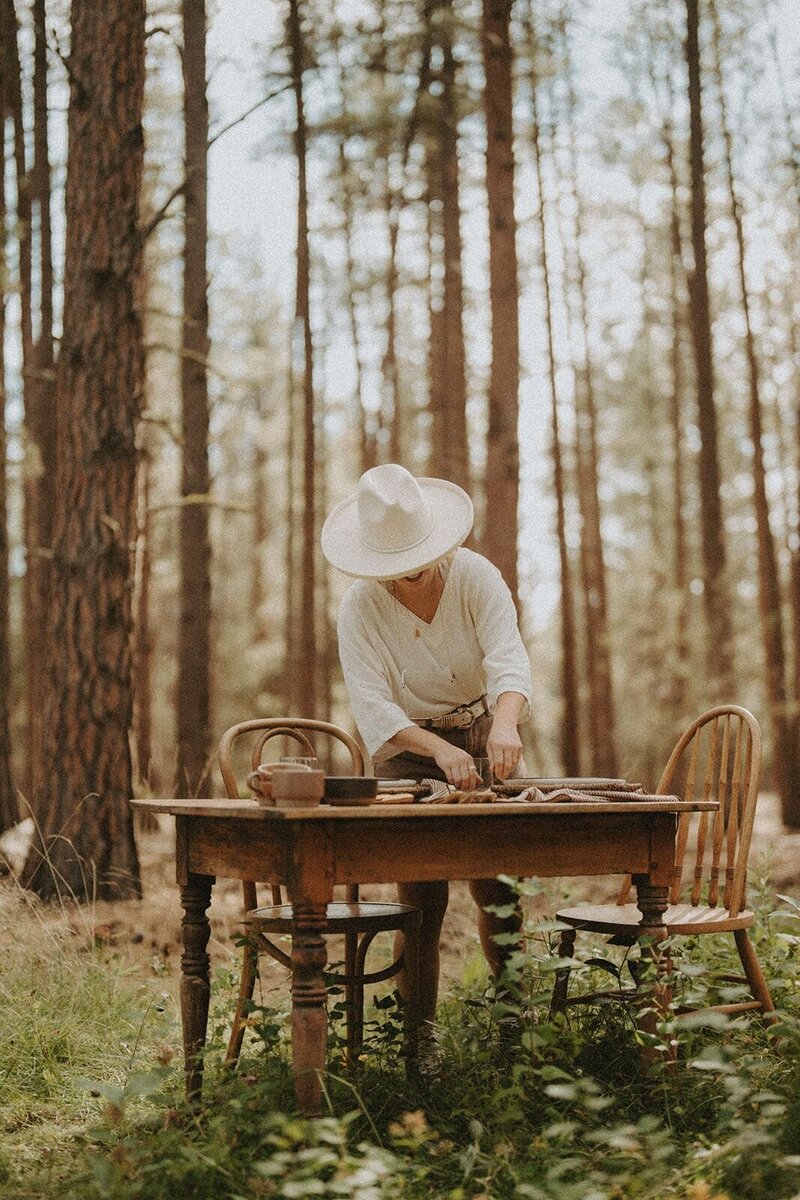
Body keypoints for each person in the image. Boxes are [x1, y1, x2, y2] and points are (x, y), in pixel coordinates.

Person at [321, 463, 532, 1030]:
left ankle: (516, 1031)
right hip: (408, 750)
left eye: (413, 567)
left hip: (486, 732)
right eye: (391, 570)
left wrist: (504, 725)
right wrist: (438, 751)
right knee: (419, 901)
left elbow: (508, 660)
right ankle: (418, 1042)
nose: (402, 577)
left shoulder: (476, 577)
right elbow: (373, 708)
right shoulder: (359, 609)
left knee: (500, 891)